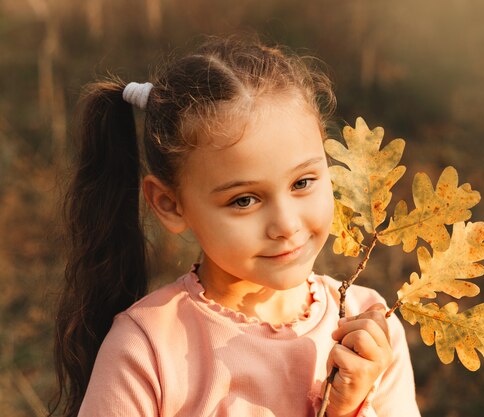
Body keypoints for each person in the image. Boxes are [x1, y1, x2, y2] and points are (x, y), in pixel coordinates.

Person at [51, 35, 421, 417]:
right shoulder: (146, 348)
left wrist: (350, 408)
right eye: (244, 200)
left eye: (302, 183)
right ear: (170, 204)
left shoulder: (370, 329)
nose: (286, 225)